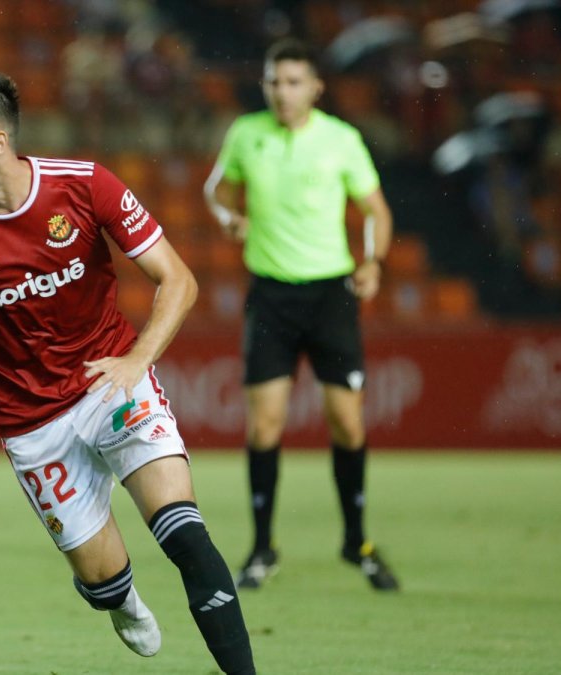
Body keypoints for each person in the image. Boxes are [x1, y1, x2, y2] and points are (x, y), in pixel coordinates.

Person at [0, 71, 256, 674]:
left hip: (110, 383)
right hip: (31, 422)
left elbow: (179, 280)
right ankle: (115, 597)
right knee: (102, 582)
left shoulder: (85, 186)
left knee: (186, 537)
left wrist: (137, 360)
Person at [204, 38, 399, 591]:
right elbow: (215, 190)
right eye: (274, 82)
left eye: (293, 82)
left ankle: (355, 541)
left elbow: (374, 211)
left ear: (316, 87)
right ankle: (263, 546)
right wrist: (227, 216)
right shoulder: (247, 134)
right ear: (265, 86)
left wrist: (374, 262)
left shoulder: (341, 140)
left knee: (348, 422)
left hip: (330, 296)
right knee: (265, 425)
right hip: (270, 296)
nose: (282, 93)